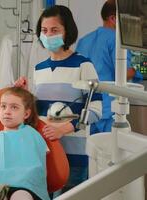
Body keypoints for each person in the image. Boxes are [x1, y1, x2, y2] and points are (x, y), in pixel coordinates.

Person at [32, 5, 102, 192]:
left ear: (67, 31)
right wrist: (22, 94)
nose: (48, 35)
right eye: (44, 30)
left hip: (73, 153)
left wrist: (63, 129)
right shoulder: (39, 69)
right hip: (44, 152)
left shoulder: (83, 65)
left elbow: (95, 110)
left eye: (54, 30)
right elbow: (35, 111)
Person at [76, 0, 143, 134]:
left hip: (88, 109)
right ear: (113, 18)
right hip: (108, 110)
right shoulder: (116, 39)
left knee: (92, 151)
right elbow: (124, 73)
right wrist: (139, 69)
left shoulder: (84, 40)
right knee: (111, 151)